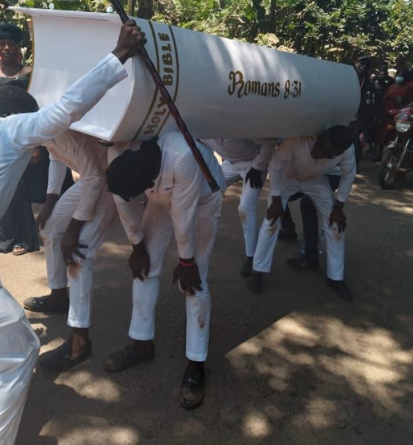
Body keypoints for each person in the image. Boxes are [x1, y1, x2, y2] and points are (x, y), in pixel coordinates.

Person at [0, 21, 145, 444]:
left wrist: (53, 204)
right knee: (18, 355)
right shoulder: (8, 129)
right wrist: (119, 55)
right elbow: (66, 109)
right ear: (22, 121)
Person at [104, 132, 225, 409]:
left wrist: (186, 261)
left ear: (147, 185)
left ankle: (196, 363)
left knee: (194, 281)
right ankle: (141, 344)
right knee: (144, 268)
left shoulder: (181, 155)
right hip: (163, 200)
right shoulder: (120, 155)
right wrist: (137, 246)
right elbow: (123, 205)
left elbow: (184, 215)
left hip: (205, 198)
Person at [24, 132, 116, 371]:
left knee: (79, 251)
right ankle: (58, 296)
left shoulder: (62, 128)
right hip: (91, 178)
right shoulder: (38, 126)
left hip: (111, 179)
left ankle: (79, 342)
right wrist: (50, 202)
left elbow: (96, 178)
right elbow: (56, 157)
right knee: (50, 228)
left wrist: (74, 229)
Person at [247, 126, 357, 302]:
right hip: (287, 179)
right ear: (320, 138)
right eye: (320, 148)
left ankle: (335, 278)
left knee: (335, 224)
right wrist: (276, 199)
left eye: (326, 155)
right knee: (272, 220)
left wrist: (338, 207)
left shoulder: (346, 151)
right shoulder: (298, 140)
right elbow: (275, 165)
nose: (319, 154)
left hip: (316, 182)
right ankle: (257, 272)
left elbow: (349, 175)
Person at [0, 24, 36, 255]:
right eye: (2, 44)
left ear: (19, 46)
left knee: (16, 185)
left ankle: (22, 236)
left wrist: (35, 144)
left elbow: (33, 107)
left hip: (15, 135)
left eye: (11, 44)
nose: (7, 48)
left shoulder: (28, 73)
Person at [203, 138, 276, 276]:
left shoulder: (237, 120)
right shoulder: (204, 126)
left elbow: (270, 141)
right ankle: (204, 232)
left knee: (245, 208)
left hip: (253, 162)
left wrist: (258, 167)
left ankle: (252, 256)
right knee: (204, 192)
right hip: (229, 164)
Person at [376, 70, 413, 157]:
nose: (399, 77)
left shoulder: (409, 89)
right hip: (387, 114)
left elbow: (409, 104)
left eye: (401, 75)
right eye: (398, 75)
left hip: (400, 116)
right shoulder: (391, 86)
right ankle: (378, 154)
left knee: (394, 136)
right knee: (382, 135)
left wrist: (399, 111)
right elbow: (385, 99)